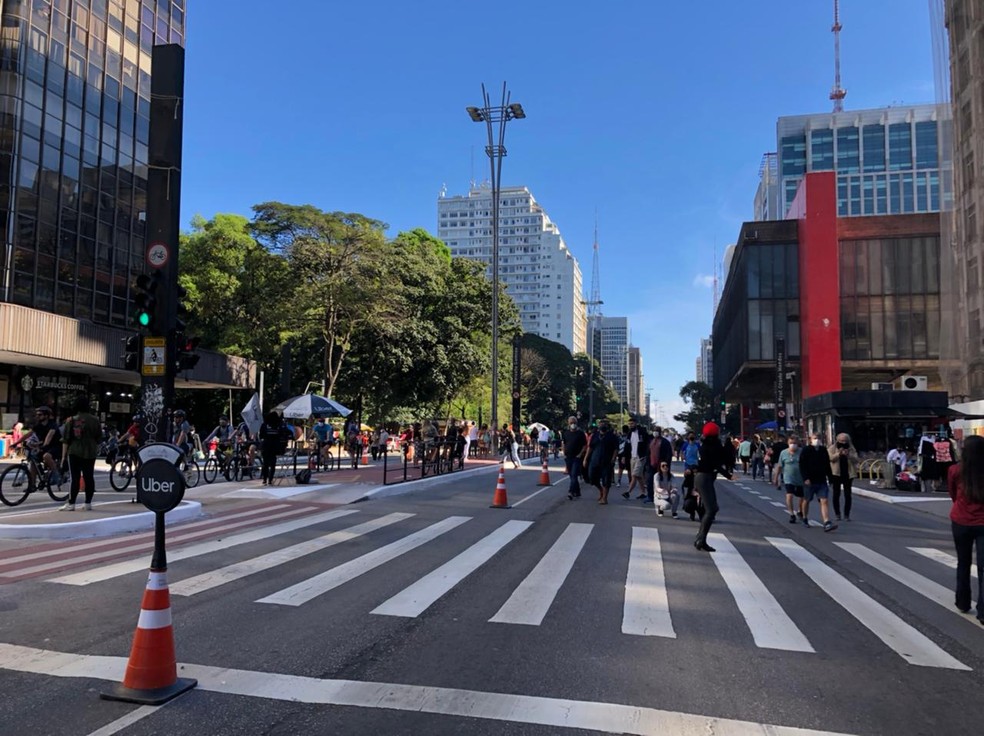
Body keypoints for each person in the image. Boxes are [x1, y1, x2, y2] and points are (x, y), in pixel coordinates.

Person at [946, 435, 984, 624]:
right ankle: (983, 611)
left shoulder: (955, 470)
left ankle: (962, 602)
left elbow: (952, 494)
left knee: (963, 562)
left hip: (960, 521)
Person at [693, 422, 732, 552]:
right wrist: (728, 475)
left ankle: (701, 538)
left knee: (711, 509)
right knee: (711, 509)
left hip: (702, 478)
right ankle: (700, 539)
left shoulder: (704, 445)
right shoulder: (712, 446)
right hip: (705, 478)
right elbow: (716, 464)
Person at [59, 397, 101, 511]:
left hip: (75, 451)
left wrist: (63, 457)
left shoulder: (71, 420)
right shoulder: (95, 420)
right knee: (89, 477)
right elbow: (99, 437)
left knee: (75, 478)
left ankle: (71, 503)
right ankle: (88, 503)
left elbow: (66, 440)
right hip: (90, 451)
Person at [11, 406, 63, 487]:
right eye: (37, 415)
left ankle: (56, 475)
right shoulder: (38, 425)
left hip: (56, 447)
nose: (37, 416)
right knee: (33, 461)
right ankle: (32, 485)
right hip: (44, 447)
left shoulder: (53, 425)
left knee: (46, 456)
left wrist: (41, 446)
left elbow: (48, 438)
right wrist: (16, 443)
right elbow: (28, 435)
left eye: (40, 415)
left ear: (46, 416)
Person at [801, 432, 838, 532]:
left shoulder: (823, 450)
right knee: (807, 500)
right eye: (815, 438)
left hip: (821, 479)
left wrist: (830, 478)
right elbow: (802, 465)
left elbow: (827, 465)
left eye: (818, 438)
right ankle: (804, 517)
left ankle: (826, 522)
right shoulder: (806, 450)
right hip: (809, 480)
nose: (817, 440)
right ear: (810, 439)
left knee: (824, 500)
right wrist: (805, 478)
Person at [585, 420, 619, 505]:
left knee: (606, 480)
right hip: (595, 460)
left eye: (604, 424)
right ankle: (601, 490)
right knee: (591, 477)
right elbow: (590, 447)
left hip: (607, 461)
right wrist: (585, 458)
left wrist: (613, 458)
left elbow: (616, 449)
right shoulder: (595, 435)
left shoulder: (612, 436)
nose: (602, 426)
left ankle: (604, 498)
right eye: (600, 424)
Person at [828, 432, 859, 521]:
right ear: (837, 440)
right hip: (836, 473)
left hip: (848, 474)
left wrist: (848, 455)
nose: (843, 443)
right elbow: (830, 458)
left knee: (848, 495)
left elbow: (856, 459)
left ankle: (846, 514)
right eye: (841, 441)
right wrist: (839, 453)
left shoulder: (851, 448)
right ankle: (837, 514)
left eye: (845, 441)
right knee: (836, 494)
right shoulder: (832, 448)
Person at [777, 435, 805, 524]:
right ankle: (792, 514)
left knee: (802, 496)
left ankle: (800, 510)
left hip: (801, 478)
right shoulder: (783, 453)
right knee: (789, 495)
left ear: (798, 443)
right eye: (791, 443)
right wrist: (776, 477)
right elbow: (780, 466)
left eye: (795, 443)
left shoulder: (802, 452)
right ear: (788, 443)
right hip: (788, 477)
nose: (793, 445)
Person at [622, 419, 649, 500]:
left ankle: (628, 492)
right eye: (629, 424)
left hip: (640, 457)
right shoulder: (630, 433)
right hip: (632, 457)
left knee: (634, 475)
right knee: (639, 476)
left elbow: (647, 444)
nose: (631, 425)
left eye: (632, 423)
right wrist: (624, 456)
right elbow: (627, 445)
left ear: (636, 423)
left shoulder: (642, 432)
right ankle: (643, 493)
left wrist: (645, 454)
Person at [257, 411, 285, 486]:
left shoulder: (264, 425)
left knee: (265, 464)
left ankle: (264, 479)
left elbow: (261, 435)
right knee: (273, 464)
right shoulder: (278, 425)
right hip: (274, 446)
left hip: (266, 446)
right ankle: (270, 479)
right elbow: (281, 435)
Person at [562, 416, 587, 500]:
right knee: (572, 476)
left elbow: (584, 445)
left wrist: (580, 454)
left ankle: (571, 492)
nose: (573, 424)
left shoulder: (580, 433)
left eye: (574, 423)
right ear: (568, 424)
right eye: (571, 423)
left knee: (574, 474)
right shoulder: (566, 433)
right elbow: (564, 443)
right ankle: (577, 491)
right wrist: (564, 453)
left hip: (577, 458)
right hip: (568, 457)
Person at [615, 424, 631, 488]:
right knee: (629, 469)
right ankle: (630, 482)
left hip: (620, 454)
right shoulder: (629, 437)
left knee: (620, 468)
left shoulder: (619, 437)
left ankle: (619, 481)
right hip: (628, 454)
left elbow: (617, 446)